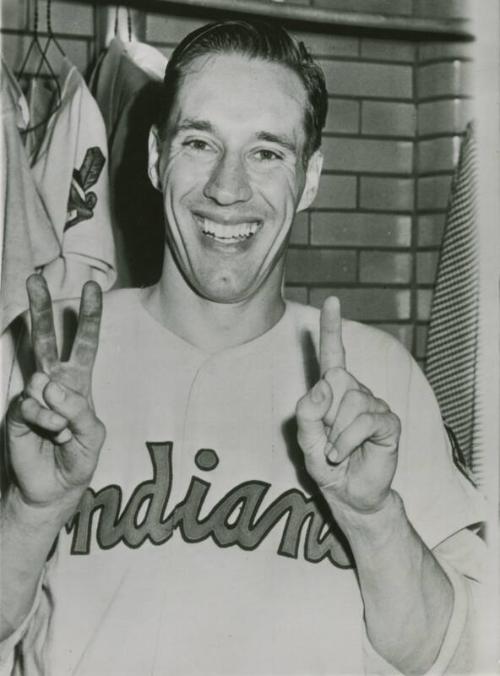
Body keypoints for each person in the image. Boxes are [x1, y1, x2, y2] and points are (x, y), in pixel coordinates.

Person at [0, 19, 484, 676]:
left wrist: (373, 518)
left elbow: (469, 657)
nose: (228, 189)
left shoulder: (377, 385)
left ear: (310, 178)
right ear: (153, 157)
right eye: (200, 142)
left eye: (267, 153)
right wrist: (32, 512)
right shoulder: (50, 361)